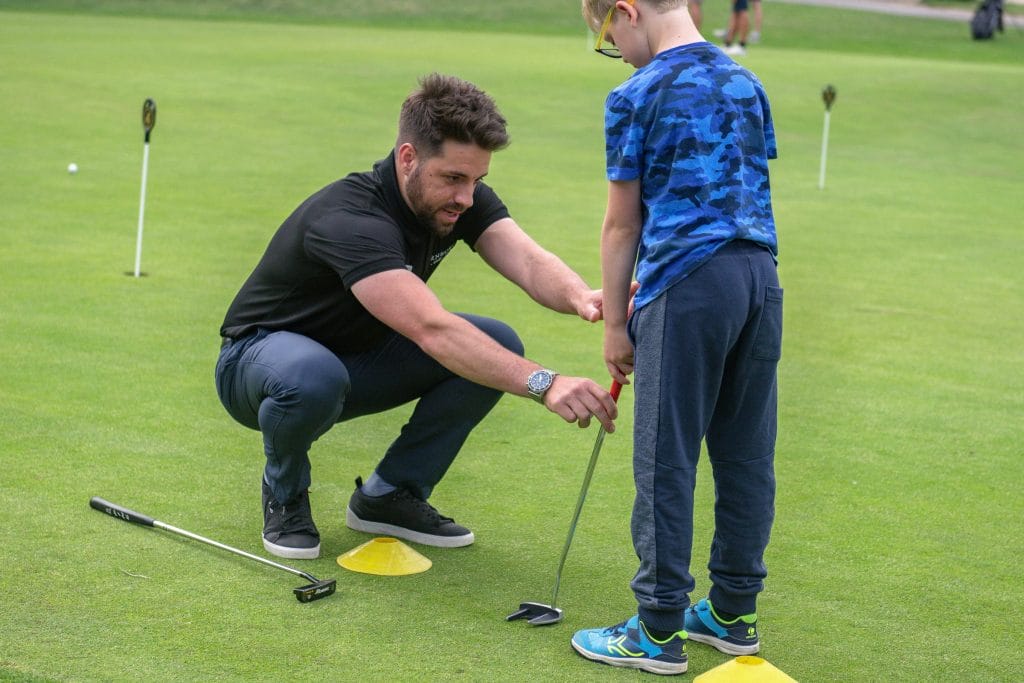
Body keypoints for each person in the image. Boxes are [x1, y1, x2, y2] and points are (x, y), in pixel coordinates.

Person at [215, 73, 618, 561]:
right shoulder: (352, 219)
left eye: (476, 181)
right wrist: (544, 383)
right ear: (408, 158)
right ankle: (285, 494)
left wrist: (584, 298)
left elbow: (528, 261)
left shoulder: (455, 201)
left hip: (354, 363)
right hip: (259, 366)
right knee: (314, 374)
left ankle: (389, 495)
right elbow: (432, 330)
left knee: (497, 340)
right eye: (454, 178)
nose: (466, 197)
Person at [576, 0, 782, 676]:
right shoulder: (746, 81)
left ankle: (657, 628)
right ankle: (732, 612)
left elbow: (621, 224)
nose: (616, 51)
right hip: (760, 280)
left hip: (689, 287)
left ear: (627, 11)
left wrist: (614, 324)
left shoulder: (635, 94)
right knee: (745, 453)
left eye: (609, 37)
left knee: (665, 458)